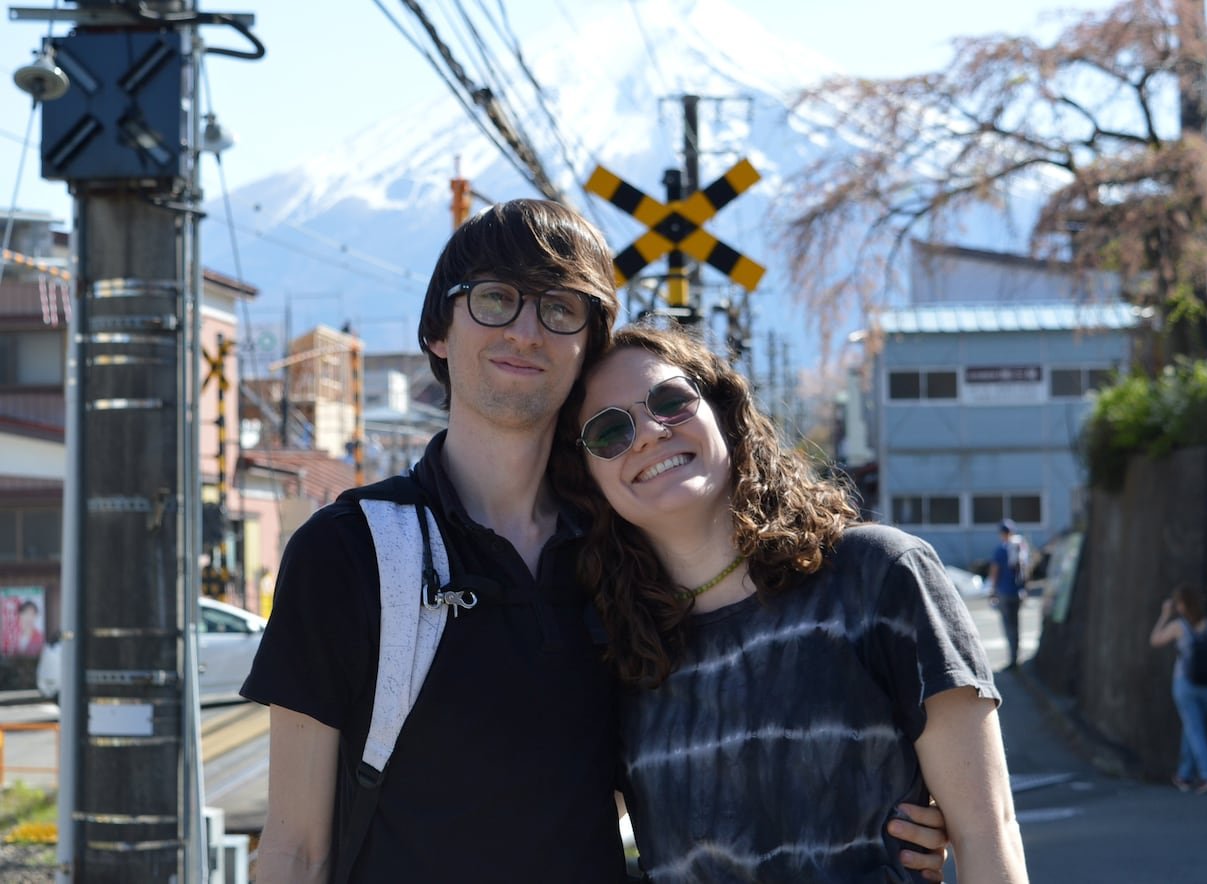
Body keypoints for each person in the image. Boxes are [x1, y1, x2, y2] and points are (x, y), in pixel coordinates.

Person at [241, 202, 948, 883]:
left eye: (560, 309)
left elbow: (728, 742)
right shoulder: (351, 552)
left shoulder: (625, 557)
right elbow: (297, 850)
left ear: (586, 351)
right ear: (437, 332)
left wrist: (891, 801)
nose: (525, 330)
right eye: (494, 299)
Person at [551, 324, 1028, 883]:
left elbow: (988, 832)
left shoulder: (880, 577)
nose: (651, 433)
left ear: (723, 410)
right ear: (587, 477)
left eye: (671, 400)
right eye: (609, 431)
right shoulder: (611, 648)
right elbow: (552, 841)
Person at [1148, 584, 1207, 795]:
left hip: (1186, 684)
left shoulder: (1179, 627)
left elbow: (1155, 640)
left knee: (1194, 730)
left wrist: (1164, 614)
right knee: (1192, 727)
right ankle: (1184, 775)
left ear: (1181, 605)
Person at [988, 518, 1027, 671]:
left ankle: (1012, 658)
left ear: (1001, 533)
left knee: (1007, 625)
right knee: (1016, 625)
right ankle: (1016, 656)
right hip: (1017, 592)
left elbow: (995, 571)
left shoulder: (1001, 550)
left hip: (1004, 592)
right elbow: (1026, 571)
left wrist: (992, 590)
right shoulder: (1020, 548)